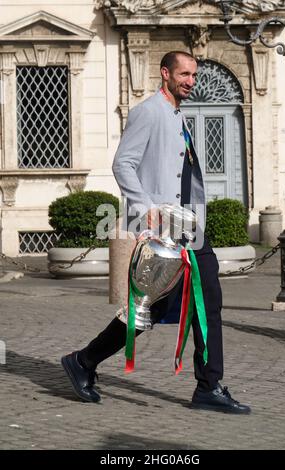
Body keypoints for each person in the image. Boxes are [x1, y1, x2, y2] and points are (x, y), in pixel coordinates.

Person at [61, 51, 251, 414]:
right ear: (165, 73)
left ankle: (208, 386)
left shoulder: (176, 115)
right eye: (184, 74)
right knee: (151, 309)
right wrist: (145, 206)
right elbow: (123, 163)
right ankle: (84, 360)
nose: (190, 82)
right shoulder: (149, 111)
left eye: (194, 76)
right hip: (165, 228)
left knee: (206, 300)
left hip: (188, 227)